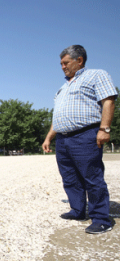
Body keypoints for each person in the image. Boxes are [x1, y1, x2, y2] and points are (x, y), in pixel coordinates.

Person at [42, 45, 117, 234]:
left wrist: (104, 129)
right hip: (63, 139)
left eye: (65, 63)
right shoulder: (62, 88)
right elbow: (57, 115)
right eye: (61, 64)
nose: (62, 67)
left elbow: (108, 100)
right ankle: (77, 210)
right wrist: (49, 137)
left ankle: (101, 218)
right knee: (69, 178)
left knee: (92, 177)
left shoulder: (96, 75)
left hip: (85, 135)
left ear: (79, 60)